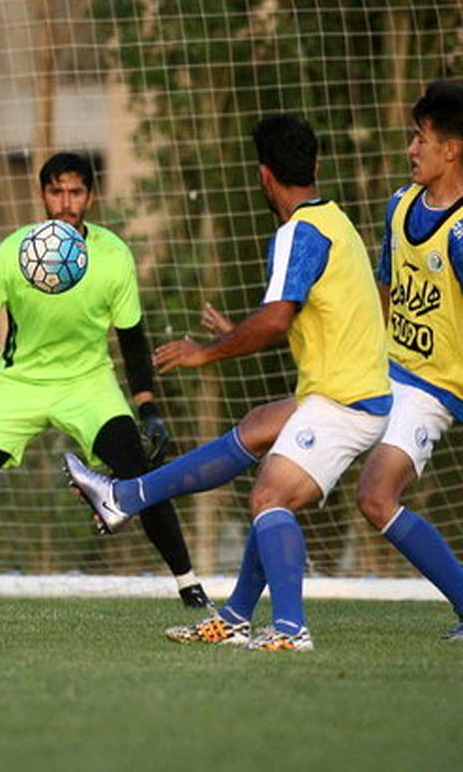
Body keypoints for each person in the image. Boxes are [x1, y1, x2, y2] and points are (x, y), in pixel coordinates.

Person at [66, 114, 392, 651]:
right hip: (350, 390)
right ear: (314, 167)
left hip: (346, 402)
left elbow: (277, 319)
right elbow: (311, 314)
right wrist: (237, 329)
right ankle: (134, 507)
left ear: (264, 176)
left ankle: (289, 628)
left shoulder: (298, 232)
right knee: (257, 426)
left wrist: (206, 352)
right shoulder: (335, 220)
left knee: (269, 497)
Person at [0, 152, 208, 608]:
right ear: (43, 195)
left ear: (91, 197)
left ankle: (190, 589)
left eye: (75, 192)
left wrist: (148, 410)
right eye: (56, 192)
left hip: (89, 385)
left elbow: (132, 339)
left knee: (140, 477)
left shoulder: (113, 255)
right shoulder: (14, 251)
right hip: (18, 386)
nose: (66, 202)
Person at [356, 80, 463, 641]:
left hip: (432, 389)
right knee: (285, 460)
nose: (411, 149)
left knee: (376, 497)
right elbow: (384, 289)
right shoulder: (399, 205)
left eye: (421, 139)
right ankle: (236, 614)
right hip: (381, 373)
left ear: (452, 149)